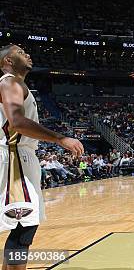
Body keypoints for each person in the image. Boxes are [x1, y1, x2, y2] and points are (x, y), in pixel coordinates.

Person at [0, 45, 84, 270]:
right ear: (8, 60)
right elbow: (16, 122)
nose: (27, 54)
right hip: (15, 156)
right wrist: (60, 138)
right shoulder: (10, 82)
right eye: (20, 52)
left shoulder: (15, 84)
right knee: (24, 226)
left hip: (18, 156)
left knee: (22, 227)